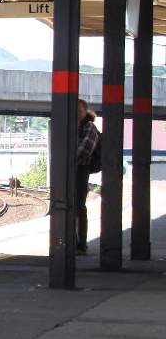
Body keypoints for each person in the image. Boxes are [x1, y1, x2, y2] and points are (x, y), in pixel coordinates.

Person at [75, 98, 100, 254]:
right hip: (69, 169)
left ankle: (81, 244)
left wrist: (67, 161)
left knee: (78, 206)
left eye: (79, 111)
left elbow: (85, 150)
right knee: (65, 206)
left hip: (80, 169)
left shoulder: (89, 127)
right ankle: (68, 242)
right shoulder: (69, 125)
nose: (76, 114)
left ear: (85, 112)